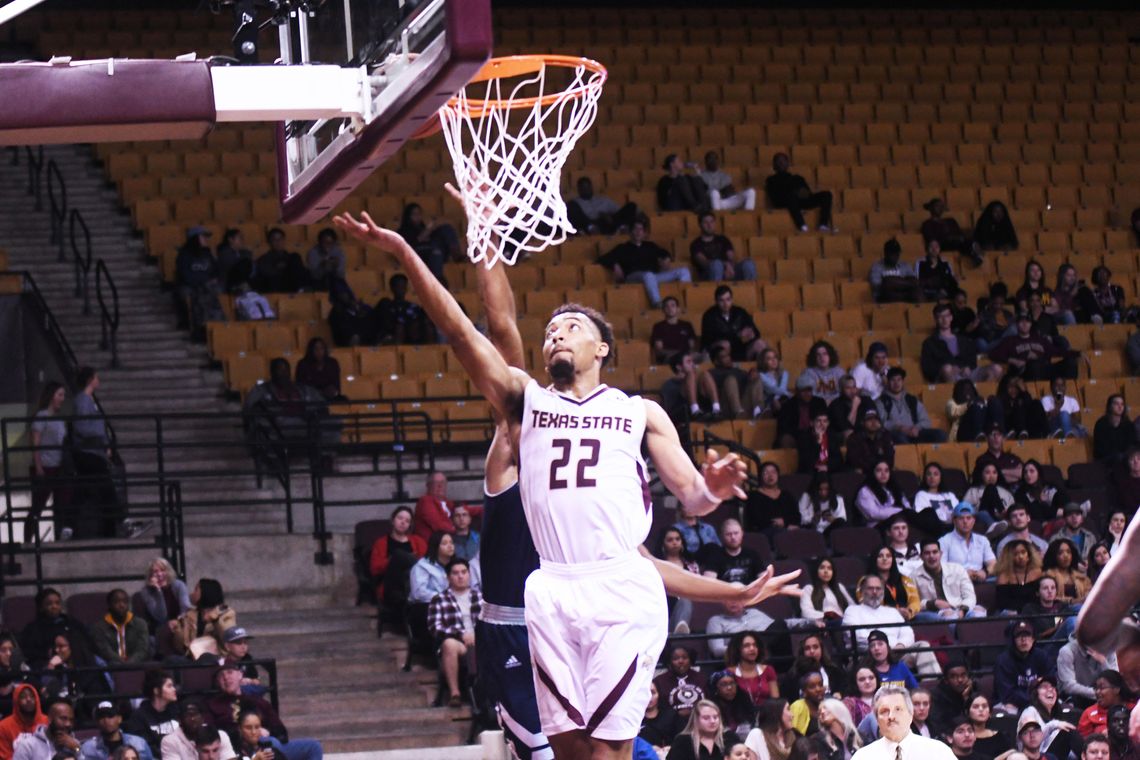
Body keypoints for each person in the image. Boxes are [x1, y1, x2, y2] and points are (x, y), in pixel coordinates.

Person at [335, 200, 799, 759]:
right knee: (571, 753)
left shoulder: (639, 411)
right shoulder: (523, 405)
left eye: (571, 327)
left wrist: (714, 489)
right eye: (551, 329)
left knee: (609, 753)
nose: (557, 334)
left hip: (617, 588)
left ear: (601, 348)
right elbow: (466, 331)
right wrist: (406, 254)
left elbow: (694, 499)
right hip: (550, 591)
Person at [205, 664, 322, 760]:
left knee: (313, 746)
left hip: (268, 744)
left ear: (240, 674)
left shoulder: (258, 701)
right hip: (237, 749)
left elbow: (282, 732)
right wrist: (242, 734)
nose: (226, 678)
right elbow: (211, 736)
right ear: (217, 682)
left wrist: (266, 731)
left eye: (230, 672)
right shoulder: (212, 704)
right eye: (221, 676)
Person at [841, 576, 941, 676]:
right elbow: (859, 638)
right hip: (867, 657)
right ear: (862, 591)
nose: (875, 592)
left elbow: (908, 633)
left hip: (896, 654)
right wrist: (887, 648)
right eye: (870, 588)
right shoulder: (852, 610)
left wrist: (900, 646)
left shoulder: (892, 611)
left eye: (878, 588)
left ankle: (930, 685)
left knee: (922, 646)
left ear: (883, 591)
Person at [598, 217, 692, 308]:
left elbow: (664, 253)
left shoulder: (650, 246)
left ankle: (683, 302)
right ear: (630, 232)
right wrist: (615, 265)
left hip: (653, 277)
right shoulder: (622, 248)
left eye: (641, 229)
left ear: (644, 233)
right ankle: (657, 303)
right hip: (632, 277)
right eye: (635, 229)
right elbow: (602, 259)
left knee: (684, 271)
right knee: (648, 275)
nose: (638, 232)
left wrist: (666, 259)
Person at [72, 367, 120, 539]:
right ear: (90, 379)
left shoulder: (89, 400)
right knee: (106, 489)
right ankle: (120, 522)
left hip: (93, 451)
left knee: (89, 491)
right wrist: (101, 437)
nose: (98, 379)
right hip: (89, 452)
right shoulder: (83, 400)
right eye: (96, 377)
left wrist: (105, 443)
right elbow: (83, 426)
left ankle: (109, 528)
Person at [428, 558, 481, 707]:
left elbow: (489, 622)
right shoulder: (439, 599)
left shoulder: (481, 596)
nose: (460, 576)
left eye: (464, 572)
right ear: (449, 577)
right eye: (456, 573)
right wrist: (460, 634)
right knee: (449, 644)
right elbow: (435, 626)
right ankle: (455, 693)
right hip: (458, 643)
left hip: (480, 640)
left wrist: (478, 635)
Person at [850, 685, 956, 760]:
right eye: (884, 711)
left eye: (898, 709)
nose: (891, 716)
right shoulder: (863, 757)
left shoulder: (938, 752)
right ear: (877, 719)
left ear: (910, 715)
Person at [27, 381, 70, 542]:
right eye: (59, 395)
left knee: (62, 502)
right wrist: (39, 467)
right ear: (52, 396)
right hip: (45, 467)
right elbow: (35, 444)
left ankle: (61, 535)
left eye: (63, 395)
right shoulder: (41, 417)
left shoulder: (59, 420)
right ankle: (28, 539)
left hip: (58, 466)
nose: (62, 398)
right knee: (38, 506)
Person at [921, 304, 1001, 385]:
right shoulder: (930, 343)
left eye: (947, 316)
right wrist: (948, 368)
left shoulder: (963, 339)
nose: (944, 319)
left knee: (997, 368)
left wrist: (968, 367)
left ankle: (983, 395)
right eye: (940, 317)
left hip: (967, 372)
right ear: (935, 319)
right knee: (947, 368)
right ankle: (958, 393)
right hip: (949, 374)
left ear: (951, 317)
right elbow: (928, 367)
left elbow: (972, 359)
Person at [910, 540, 986, 623]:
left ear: (941, 554)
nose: (931, 556)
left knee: (979, 611)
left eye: (935, 552)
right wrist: (932, 603)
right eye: (927, 553)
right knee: (950, 616)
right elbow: (912, 603)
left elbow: (970, 596)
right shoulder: (913, 576)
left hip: (960, 607)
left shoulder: (957, 569)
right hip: (935, 612)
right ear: (921, 556)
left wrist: (962, 610)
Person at [988, 313, 1077, 382]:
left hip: (1046, 368)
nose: (1024, 324)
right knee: (1034, 365)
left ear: (1031, 324)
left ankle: (1069, 395)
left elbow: (1056, 351)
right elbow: (993, 354)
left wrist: (1077, 353)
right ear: (1016, 324)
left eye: (1027, 321)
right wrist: (1012, 360)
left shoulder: (1040, 339)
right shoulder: (1010, 340)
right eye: (1021, 321)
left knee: (1071, 362)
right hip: (1027, 371)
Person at [18, 589, 90, 670]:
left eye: (57, 603)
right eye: (49, 604)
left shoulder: (72, 623)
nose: (54, 606)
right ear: (41, 607)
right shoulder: (32, 629)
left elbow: (86, 644)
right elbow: (29, 653)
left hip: (75, 664)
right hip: (46, 667)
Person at [995, 622, 1057, 712]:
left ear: (1033, 639)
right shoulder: (1003, 661)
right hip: (1013, 703)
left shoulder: (1042, 656)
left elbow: (1051, 681)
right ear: (1013, 640)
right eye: (1019, 636)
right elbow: (1007, 693)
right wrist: (1034, 699)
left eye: (1027, 635)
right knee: (1009, 708)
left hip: (1040, 699)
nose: (1023, 639)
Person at [765, 153, 832, 232]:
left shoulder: (797, 178)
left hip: (802, 200)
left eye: (783, 161)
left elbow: (807, 194)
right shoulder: (771, 180)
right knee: (791, 196)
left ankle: (823, 225)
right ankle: (802, 225)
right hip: (786, 201)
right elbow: (775, 197)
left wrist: (799, 193)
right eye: (778, 161)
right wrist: (793, 191)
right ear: (774, 165)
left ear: (787, 163)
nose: (781, 163)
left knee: (826, 195)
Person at [876, 368, 946, 444]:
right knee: (899, 437)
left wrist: (916, 428)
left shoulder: (912, 400)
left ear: (903, 382)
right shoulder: (881, 401)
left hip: (914, 433)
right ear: (888, 382)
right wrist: (899, 428)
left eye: (899, 380)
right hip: (895, 434)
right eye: (893, 380)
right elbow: (881, 423)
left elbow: (926, 421)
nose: (896, 383)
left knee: (940, 434)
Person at [395, 202, 459, 285]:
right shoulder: (404, 230)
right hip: (417, 253)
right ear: (408, 216)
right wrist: (429, 229)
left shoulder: (422, 227)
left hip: (430, 248)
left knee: (446, 229)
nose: (418, 217)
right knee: (436, 252)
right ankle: (437, 280)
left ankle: (457, 256)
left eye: (419, 214)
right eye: (414, 214)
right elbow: (416, 241)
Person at [174, 227, 222, 334]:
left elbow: (216, 271)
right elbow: (186, 276)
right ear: (195, 239)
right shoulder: (184, 255)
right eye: (203, 237)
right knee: (198, 294)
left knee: (215, 291)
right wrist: (203, 281)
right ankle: (202, 326)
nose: (206, 239)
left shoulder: (207, 253)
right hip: (191, 286)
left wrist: (211, 280)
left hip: (207, 285)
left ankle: (217, 325)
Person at [171, 579, 234, 658]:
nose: (192, 593)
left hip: (217, 658)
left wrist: (215, 620)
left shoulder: (226, 613)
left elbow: (228, 638)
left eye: (196, 589)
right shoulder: (190, 615)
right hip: (194, 658)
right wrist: (178, 629)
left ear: (206, 592)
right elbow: (180, 647)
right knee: (172, 659)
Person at [702, 286, 766, 362]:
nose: (725, 304)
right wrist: (737, 335)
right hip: (719, 353)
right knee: (725, 344)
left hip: (741, 350)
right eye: (721, 300)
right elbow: (709, 339)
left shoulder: (740, 312)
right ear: (716, 301)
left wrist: (751, 333)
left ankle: (764, 372)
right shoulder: (709, 315)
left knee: (760, 343)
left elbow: (757, 333)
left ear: (732, 300)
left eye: (728, 300)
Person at [124, 670, 178, 757]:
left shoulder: (176, 711)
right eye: (169, 686)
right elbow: (142, 748)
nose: (174, 689)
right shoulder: (139, 717)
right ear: (156, 691)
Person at [412, 472, 477, 542]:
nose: (440, 486)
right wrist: (458, 529)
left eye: (443, 482)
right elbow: (438, 524)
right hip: (434, 545)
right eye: (436, 483)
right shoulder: (425, 501)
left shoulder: (447, 503)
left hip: (451, 540)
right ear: (428, 486)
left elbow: (466, 510)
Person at [691, 212, 757, 282]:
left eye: (712, 222)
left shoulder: (723, 239)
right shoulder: (696, 244)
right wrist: (724, 265)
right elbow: (704, 262)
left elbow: (731, 257)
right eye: (706, 222)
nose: (709, 225)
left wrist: (730, 267)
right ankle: (717, 291)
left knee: (748, 264)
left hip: (728, 271)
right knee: (716, 264)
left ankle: (750, 290)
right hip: (709, 274)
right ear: (700, 225)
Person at [1057, 636, 1119, 710]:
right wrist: (1098, 693)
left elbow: (1116, 681)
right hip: (1078, 698)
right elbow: (1069, 686)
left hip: (1105, 696)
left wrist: (1103, 662)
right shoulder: (1067, 651)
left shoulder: (1109, 648)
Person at [90, 589, 150, 665]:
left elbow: (142, 649)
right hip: (111, 665)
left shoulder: (140, 624)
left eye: (125, 602)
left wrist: (130, 663)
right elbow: (104, 650)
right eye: (117, 602)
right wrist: (122, 663)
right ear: (109, 605)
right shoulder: (99, 627)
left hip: (136, 665)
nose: (122, 605)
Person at [939, 503, 997, 580]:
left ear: (974, 521)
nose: (965, 521)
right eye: (961, 518)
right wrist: (961, 574)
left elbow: (993, 564)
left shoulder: (982, 540)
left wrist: (985, 572)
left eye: (969, 518)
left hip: (979, 581)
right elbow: (940, 568)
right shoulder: (944, 541)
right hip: (955, 582)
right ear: (954, 521)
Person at [374, 273, 435, 345]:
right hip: (395, 335)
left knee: (428, 328)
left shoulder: (413, 306)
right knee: (399, 328)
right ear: (392, 288)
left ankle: (431, 351)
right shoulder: (388, 306)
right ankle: (399, 353)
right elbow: (386, 325)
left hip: (414, 334)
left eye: (403, 286)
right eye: (398, 286)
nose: (401, 289)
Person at [79, 701, 153, 760]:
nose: (106, 720)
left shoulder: (139, 743)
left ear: (119, 719)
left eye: (110, 716)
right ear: (96, 721)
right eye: (101, 717)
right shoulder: (88, 748)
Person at [159, 701, 233, 760]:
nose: (192, 719)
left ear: (203, 717)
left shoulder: (220, 735)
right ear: (179, 720)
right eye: (188, 715)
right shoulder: (170, 741)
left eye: (196, 714)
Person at [137, 558, 191, 639]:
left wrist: (178, 622)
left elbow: (186, 608)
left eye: (162, 570)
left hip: (181, 625)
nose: (159, 574)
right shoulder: (146, 592)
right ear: (151, 575)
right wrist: (158, 591)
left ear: (168, 572)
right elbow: (161, 616)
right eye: (155, 572)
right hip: (158, 628)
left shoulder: (178, 585)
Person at [919, 198, 982, 265]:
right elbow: (931, 238)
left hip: (956, 241)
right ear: (931, 208)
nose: (940, 208)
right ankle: (973, 252)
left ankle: (974, 253)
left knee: (965, 240)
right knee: (959, 242)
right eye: (937, 206)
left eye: (941, 206)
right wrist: (949, 238)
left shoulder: (950, 221)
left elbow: (959, 233)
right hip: (942, 244)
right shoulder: (927, 224)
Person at [566, 177, 638, 235]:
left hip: (605, 223)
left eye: (588, 187)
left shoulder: (603, 200)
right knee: (571, 206)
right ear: (579, 190)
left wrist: (608, 216)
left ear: (591, 187)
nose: (586, 190)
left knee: (631, 206)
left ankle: (621, 227)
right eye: (583, 188)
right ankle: (591, 228)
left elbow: (618, 211)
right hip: (587, 224)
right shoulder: (575, 202)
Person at [865, 543, 920, 621]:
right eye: (880, 556)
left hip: (908, 616)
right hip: (881, 619)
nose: (885, 559)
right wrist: (895, 612)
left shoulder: (905, 579)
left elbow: (915, 600)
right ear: (874, 559)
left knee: (933, 618)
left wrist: (909, 611)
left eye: (888, 556)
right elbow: (870, 605)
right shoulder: (866, 581)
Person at [706, 600, 773, 662]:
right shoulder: (716, 621)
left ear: (744, 601)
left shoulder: (755, 613)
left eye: (737, 598)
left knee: (780, 626)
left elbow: (775, 627)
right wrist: (744, 648)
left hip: (767, 652)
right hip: (738, 659)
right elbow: (717, 650)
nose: (733, 602)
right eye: (729, 599)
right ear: (723, 602)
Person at [701, 519, 762, 586]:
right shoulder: (715, 556)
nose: (733, 537)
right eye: (728, 534)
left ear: (742, 533)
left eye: (736, 533)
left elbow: (764, 580)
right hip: (724, 594)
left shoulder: (752, 555)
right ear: (722, 536)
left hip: (748, 594)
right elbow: (708, 584)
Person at [12, 700, 79, 760]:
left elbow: (80, 753)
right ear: (50, 719)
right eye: (63, 718)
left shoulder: (74, 744)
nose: (68, 724)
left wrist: (77, 749)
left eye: (71, 720)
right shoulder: (28, 746)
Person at [655, 645, 709, 718]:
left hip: (699, 719)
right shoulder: (659, 681)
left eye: (685, 658)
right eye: (675, 658)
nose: (681, 661)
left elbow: (709, 703)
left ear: (690, 660)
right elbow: (659, 708)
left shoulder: (702, 679)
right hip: (670, 723)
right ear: (669, 662)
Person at [726, 633, 779, 706]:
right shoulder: (729, 673)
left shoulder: (768, 670)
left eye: (755, 645)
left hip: (766, 714)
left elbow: (776, 701)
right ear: (738, 650)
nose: (752, 648)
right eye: (746, 646)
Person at [855, 459, 911, 528]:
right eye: (879, 470)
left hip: (899, 521)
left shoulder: (894, 488)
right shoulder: (865, 491)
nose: (883, 473)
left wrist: (903, 511)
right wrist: (900, 511)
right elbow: (874, 514)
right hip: (878, 526)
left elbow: (906, 506)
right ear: (873, 473)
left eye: (886, 470)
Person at [993, 539, 1044, 615]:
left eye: (1023, 552)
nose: (1020, 556)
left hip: (1034, 611)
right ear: (1009, 558)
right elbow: (1001, 603)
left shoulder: (1037, 572)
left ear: (1029, 555)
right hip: (1012, 613)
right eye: (1015, 554)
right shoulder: (1004, 576)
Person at [799, 558, 855, 626]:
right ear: (816, 571)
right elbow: (805, 612)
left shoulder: (839, 587)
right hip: (822, 624)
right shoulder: (809, 589)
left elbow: (853, 608)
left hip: (843, 623)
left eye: (829, 568)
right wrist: (827, 615)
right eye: (822, 568)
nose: (826, 571)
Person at [962, 464, 1015, 535]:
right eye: (987, 473)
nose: (991, 476)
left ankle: (996, 526)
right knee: (990, 488)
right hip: (981, 517)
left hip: (1001, 519)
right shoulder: (973, 491)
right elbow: (964, 510)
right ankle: (995, 524)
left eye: (994, 472)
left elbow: (1013, 509)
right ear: (981, 475)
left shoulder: (1005, 492)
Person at [778, 378, 828, 450]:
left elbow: (824, 422)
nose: (807, 394)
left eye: (809, 390)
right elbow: (784, 428)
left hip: (814, 433)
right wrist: (802, 435)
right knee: (785, 439)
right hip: (796, 435)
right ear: (797, 392)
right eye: (804, 391)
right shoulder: (788, 405)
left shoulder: (819, 402)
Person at [253, 228, 309, 293]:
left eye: (280, 239)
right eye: (274, 239)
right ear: (269, 242)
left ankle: (301, 289)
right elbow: (267, 273)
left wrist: (284, 266)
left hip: (291, 283)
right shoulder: (264, 258)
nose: (278, 242)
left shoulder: (291, 257)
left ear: (284, 240)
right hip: (276, 286)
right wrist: (281, 267)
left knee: (296, 257)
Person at [1077, 673, 1133, 737]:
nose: (1097, 692)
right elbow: (1082, 741)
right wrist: (1099, 738)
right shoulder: (1089, 713)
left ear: (1116, 689)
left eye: (1102, 688)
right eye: (1096, 688)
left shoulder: (1134, 710)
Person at [928, 663, 974, 739]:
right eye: (954, 677)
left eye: (963, 675)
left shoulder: (972, 690)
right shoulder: (936, 695)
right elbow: (937, 724)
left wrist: (966, 699)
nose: (960, 680)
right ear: (946, 680)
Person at [408, 530, 456, 604]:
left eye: (451, 542)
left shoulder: (456, 565)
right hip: (426, 608)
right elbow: (418, 593)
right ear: (435, 546)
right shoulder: (422, 566)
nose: (450, 546)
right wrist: (443, 597)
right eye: (444, 543)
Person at [0, 685, 47, 760]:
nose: (28, 699)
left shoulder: (47, 722)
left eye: (32, 696)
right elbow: (5, 756)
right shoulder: (3, 726)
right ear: (16, 700)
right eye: (23, 697)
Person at [708, 669, 756, 742]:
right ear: (715, 688)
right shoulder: (710, 707)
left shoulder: (744, 702)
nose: (729, 688)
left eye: (732, 683)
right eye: (724, 684)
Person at [326, 279, 376, 347]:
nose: (343, 296)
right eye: (340, 293)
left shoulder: (360, 306)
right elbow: (341, 331)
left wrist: (358, 310)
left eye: (345, 292)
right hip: (348, 341)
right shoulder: (336, 312)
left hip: (366, 337)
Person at [1022, 576, 1073, 642]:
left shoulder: (1062, 607)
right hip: (1042, 645)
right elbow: (1030, 635)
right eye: (1045, 588)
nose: (1050, 591)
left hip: (1062, 644)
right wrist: (1055, 629)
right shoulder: (1030, 609)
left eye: (1053, 588)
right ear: (1037, 593)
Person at [1043, 539, 1092, 607]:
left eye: (1068, 552)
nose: (1065, 555)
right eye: (1060, 553)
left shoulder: (1081, 577)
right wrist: (1072, 601)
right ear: (1054, 556)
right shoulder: (1048, 575)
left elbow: (1090, 594)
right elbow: (1049, 598)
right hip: (1057, 612)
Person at [845, 410, 895, 474]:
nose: (873, 422)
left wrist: (880, 467)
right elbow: (855, 460)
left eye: (876, 419)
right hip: (864, 471)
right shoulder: (854, 438)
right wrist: (875, 467)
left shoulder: (885, 435)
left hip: (880, 470)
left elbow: (890, 457)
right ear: (862, 422)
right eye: (869, 419)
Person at [651, 297, 698, 365]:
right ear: (663, 310)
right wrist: (679, 353)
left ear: (678, 309)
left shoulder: (687, 325)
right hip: (670, 357)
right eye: (667, 306)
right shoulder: (658, 327)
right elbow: (659, 350)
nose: (670, 308)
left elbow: (692, 346)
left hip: (687, 356)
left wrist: (688, 355)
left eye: (673, 305)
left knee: (705, 357)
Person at [830, 375, 876, 443]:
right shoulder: (835, 405)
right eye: (848, 388)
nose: (852, 391)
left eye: (854, 387)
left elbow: (875, 419)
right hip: (845, 436)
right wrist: (854, 407)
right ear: (841, 389)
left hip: (865, 432)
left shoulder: (866, 400)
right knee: (849, 434)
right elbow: (847, 427)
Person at [640, 682, 685, 752]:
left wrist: (672, 747)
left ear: (659, 694)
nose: (649, 697)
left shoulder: (671, 715)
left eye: (653, 693)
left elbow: (682, 739)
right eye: (645, 693)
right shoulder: (633, 718)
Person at [1093, 396, 1137, 465]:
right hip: (1105, 458)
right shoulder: (1101, 424)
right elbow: (1100, 448)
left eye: (1122, 404)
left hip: (1124, 457)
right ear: (1110, 406)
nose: (1120, 407)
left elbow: (1132, 443)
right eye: (1116, 404)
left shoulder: (1128, 424)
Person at [967, 695, 1014, 760]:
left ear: (990, 713)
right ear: (968, 712)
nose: (981, 709)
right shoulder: (965, 738)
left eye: (984, 706)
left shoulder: (1000, 737)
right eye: (975, 707)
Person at [913, 463, 960, 528]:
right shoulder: (921, 495)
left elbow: (959, 511)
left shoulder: (950, 495)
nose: (932, 477)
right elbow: (923, 517)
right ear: (925, 477)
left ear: (941, 477)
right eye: (929, 474)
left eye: (936, 474)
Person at [797, 409, 843, 474]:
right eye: (819, 421)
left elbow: (838, 459)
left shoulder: (832, 436)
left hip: (828, 470)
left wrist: (827, 467)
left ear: (828, 423)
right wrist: (818, 443)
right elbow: (806, 462)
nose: (822, 424)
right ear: (811, 423)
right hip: (811, 472)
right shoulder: (804, 438)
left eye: (825, 421)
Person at [216, 228, 254, 293]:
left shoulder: (243, 253)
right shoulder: (224, 253)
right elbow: (232, 267)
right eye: (240, 238)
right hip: (228, 283)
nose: (242, 240)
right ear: (230, 239)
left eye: (242, 238)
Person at [757, 349, 793, 418]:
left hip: (782, 400)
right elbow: (773, 389)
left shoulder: (784, 373)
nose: (773, 360)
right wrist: (790, 394)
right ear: (763, 361)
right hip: (768, 403)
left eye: (775, 357)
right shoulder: (761, 375)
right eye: (769, 359)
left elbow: (782, 389)